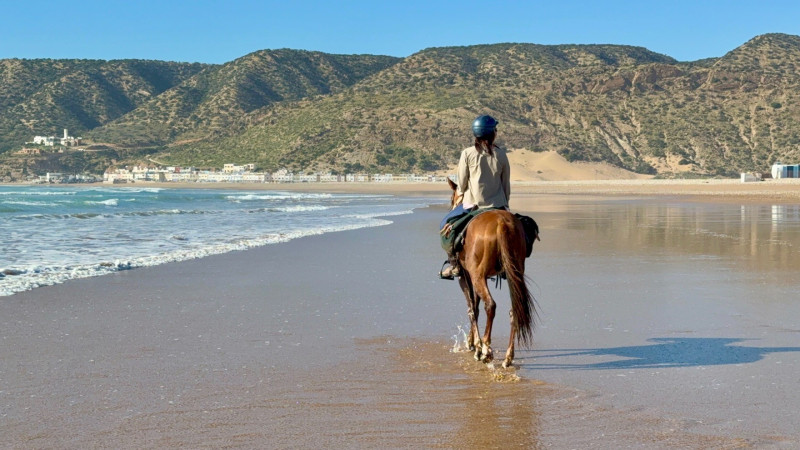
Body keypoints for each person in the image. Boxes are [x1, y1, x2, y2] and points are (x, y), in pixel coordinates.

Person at [439, 114, 510, 279]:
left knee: (445, 225)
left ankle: (454, 264)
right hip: (498, 205)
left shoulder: (467, 153)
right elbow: (505, 184)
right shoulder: (501, 154)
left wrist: (463, 192)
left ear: (476, 134)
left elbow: (462, 183)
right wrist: (505, 205)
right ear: (492, 133)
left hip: (473, 206)